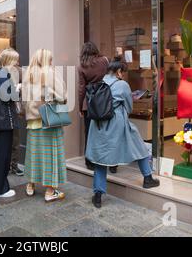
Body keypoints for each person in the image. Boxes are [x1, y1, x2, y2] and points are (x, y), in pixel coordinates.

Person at [86, 57, 160, 209]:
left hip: (98, 125)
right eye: (123, 72)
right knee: (139, 146)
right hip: (117, 123)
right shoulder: (122, 85)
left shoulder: (99, 83)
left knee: (101, 159)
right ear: (119, 71)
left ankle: (98, 196)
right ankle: (148, 178)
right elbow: (129, 106)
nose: (123, 75)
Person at [23, 49, 68, 202]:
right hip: (48, 121)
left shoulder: (28, 74)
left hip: (32, 123)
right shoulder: (50, 72)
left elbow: (23, 101)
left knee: (33, 156)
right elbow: (62, 96)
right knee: (50, 157)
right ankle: (50, 192)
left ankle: (30, 186)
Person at [0, 49, 20, 198]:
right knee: (3, 155)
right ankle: (0, 190)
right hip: (3, 121)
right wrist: (17, 89)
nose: (16, 64)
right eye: (15, 61)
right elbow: (8, 97)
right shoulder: (3, 74)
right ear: (9, 61)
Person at [77, 41, 110, 171]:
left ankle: (89, 161)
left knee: (89, 133)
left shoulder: (81, 66)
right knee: (107, 131)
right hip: (105, 100)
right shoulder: (105, 61)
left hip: (89, 103)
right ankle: (108, 160)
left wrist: (80, 107)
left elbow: (81, 88)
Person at [10, 61, 24, 176]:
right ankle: (12, 166)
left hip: (13, 110)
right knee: (13, 141)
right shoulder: (1, 72)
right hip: (7, 112)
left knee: (14, 140)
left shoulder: (19, 71)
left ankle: (13, 166)